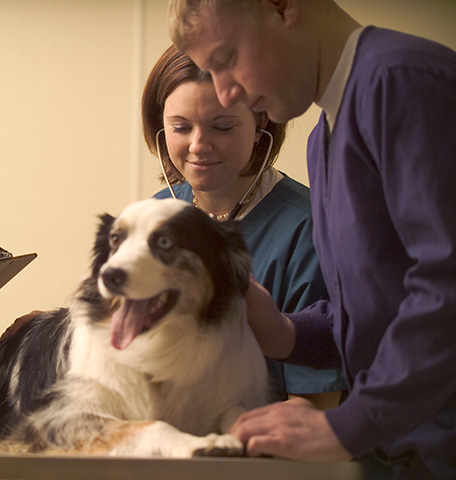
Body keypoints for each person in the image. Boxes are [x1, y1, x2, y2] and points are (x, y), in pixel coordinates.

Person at [166, 0, 456, 478]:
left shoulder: (400, 81)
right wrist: (286, 333)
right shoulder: (323, 139)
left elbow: (447, 285)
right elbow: (377, 309)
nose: (227, 91)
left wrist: (347, 426)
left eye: (226, 59)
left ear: (282, 8)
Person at [144, 45, 345, 410]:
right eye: (180, 127)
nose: (198, 146)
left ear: (260, 124)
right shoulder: (153, 217)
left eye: (222, 126)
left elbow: (316, 407)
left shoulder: (310, 230)